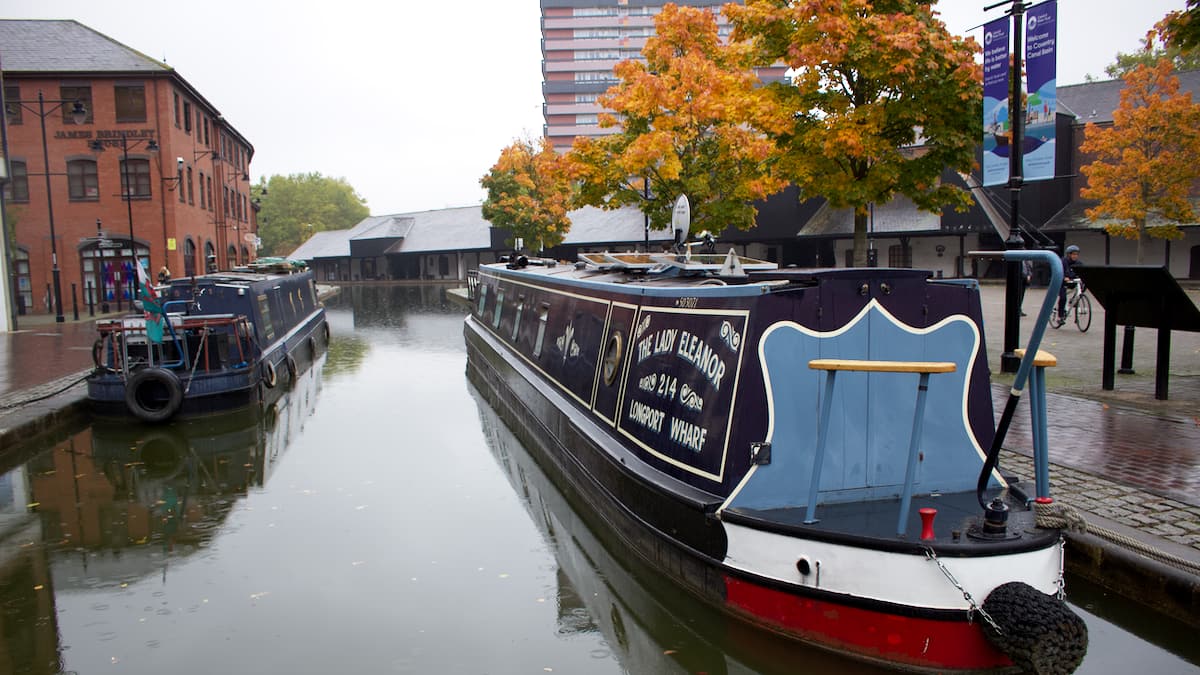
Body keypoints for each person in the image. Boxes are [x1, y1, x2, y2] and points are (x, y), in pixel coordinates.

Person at [1057, 245, 1082, 323]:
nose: (1075, 256)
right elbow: (1059, 271)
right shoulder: (1063, 261)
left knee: (1082, 286)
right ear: (1069, 254)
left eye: (1076, 254)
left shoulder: (1079, 263)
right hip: (1062, 282)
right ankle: (1060, 317)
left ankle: (1074, 299)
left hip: (1073, 282)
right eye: (1073, 254)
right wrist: (1064, 277)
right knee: (1063, 297)